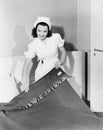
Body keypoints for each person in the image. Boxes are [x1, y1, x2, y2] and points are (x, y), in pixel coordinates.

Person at [22, 16, 66, 92]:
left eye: (44, 31)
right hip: (42, 71)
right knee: (44, 96)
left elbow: (63, 52)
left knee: (59, 94)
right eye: (39, 30)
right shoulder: (33, 44)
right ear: (35, 30)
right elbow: (26, 65)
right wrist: (25, 82)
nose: (41, 34)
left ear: (48, 31)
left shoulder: (55, 37)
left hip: (56, 68)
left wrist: (61, 61)